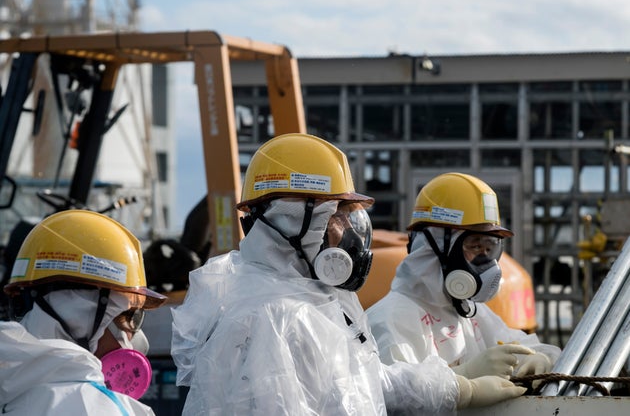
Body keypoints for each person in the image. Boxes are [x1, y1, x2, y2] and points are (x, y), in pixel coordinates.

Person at [171, 133, 527, 415]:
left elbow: (368, 383)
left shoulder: (305, 300)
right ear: (293, 219)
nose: (347, 233)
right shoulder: (271, 315)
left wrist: (457, 388)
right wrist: (461, 386)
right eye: (337, 215)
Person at [367, 172, 561, 388]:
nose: (485, 261)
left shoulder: (468, 311)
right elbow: (398, 398)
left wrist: (541, 357)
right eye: (475, 246)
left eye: (490, 248)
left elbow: (522, 345)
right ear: (436, 246)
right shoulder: (391, 319)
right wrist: (464, 376)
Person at [0, 209, 168, 415]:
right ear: (79, 313)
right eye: (128, 317)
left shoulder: (11, 391)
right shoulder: (91, 406)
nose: (132, 338)